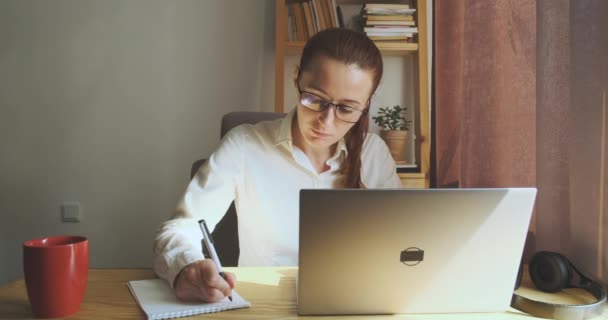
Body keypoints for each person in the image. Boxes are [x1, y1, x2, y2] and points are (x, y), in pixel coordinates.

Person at [153, 28, 402, 303]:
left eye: (346, 109)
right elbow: (180, 228)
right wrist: (186, 267)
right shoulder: (245, 145)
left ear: (367, 104)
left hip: (353, 303)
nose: (326, 122)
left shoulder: (374, 154)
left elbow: (402, 240)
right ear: (296, 77)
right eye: (315, 99)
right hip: (264, 305)